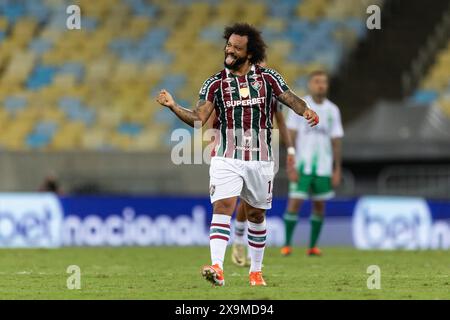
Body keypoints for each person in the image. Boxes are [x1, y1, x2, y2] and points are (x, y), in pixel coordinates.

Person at [156, 23, 319, 287]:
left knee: (256, 215)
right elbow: (199, 118)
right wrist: (174, 106)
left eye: (236, 48)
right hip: (226, 156)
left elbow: (290, 98)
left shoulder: (268, 78)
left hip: (260, 159)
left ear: (250, 54)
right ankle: (218, 268)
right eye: (228, 45)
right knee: (223, 207)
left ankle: (255, 271)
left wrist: (306, 110)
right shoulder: (215, 83)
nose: (229, 50)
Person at [281, 70, 344, 257]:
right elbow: (290, 136)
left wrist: (337, 169)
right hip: (302, 165)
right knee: (295, 203)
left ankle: (313, 246)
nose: (321, 85)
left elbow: (336, 141)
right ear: (310, 84)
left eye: (323, 82)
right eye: (317, 82)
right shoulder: (300, 107)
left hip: (324, 167)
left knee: (319, 205)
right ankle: (287, 245)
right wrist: (291, 163)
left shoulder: (333, 110)